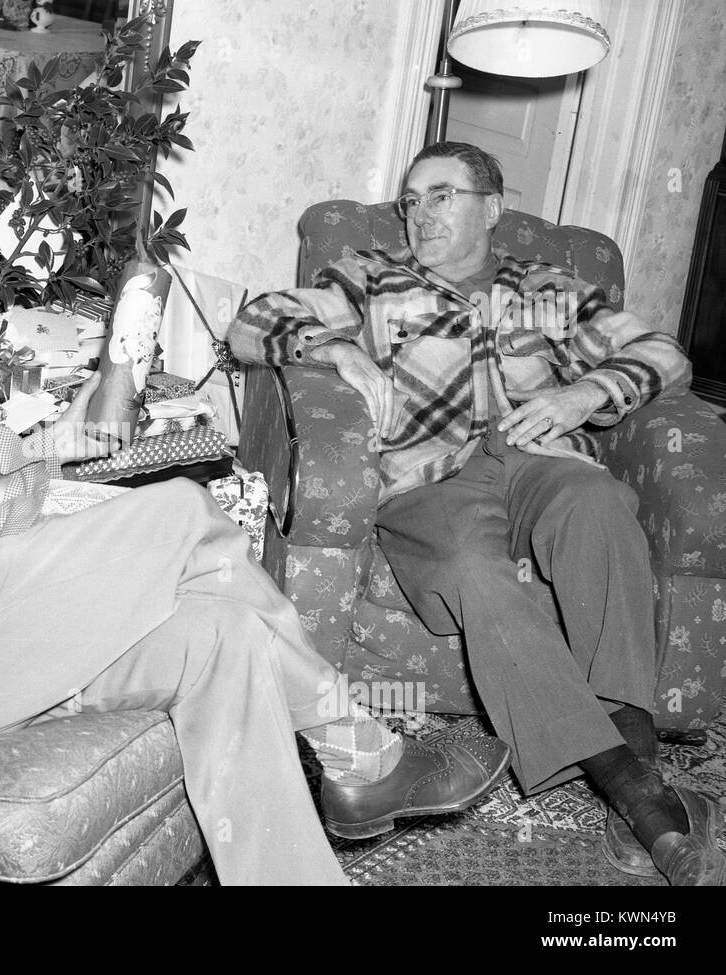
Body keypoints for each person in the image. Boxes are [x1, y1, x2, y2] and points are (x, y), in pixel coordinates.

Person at [0, 143, 511, 885]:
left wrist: (77, 429)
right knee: (187, 513)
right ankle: (364, 757)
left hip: (6, 607)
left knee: (220, 633)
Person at [229, 141, 725, 886]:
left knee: (598, 505)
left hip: (538, 459)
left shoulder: (550, 288)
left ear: (491, 208)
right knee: (470, 566)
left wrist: (583, 395)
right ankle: (642, 796)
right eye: (410, 200)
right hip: (431, 481)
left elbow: (665, 355)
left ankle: (633, 756)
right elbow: (253, 321)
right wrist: (338, 348)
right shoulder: (372, 276)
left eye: (441, 195)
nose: (419, 213)